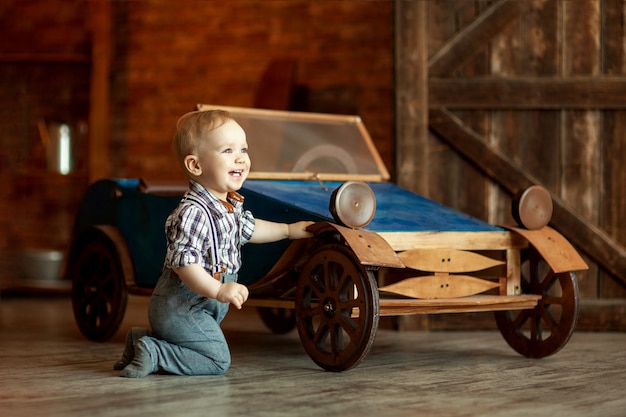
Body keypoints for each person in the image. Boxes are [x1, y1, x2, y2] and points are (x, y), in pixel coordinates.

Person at [114, 109, 314, 378]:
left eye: (243, 149)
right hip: (182, 306)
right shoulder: (193, 212)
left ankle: (140, 338)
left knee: (197, 344)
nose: (241, 157)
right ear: (196, 166)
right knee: (216, 359)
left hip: (200, 307)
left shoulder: (229, 206)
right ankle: (154, 352)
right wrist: (218, 290)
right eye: (227, 150)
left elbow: (251, 229)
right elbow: (186, 266)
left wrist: (288, 230)